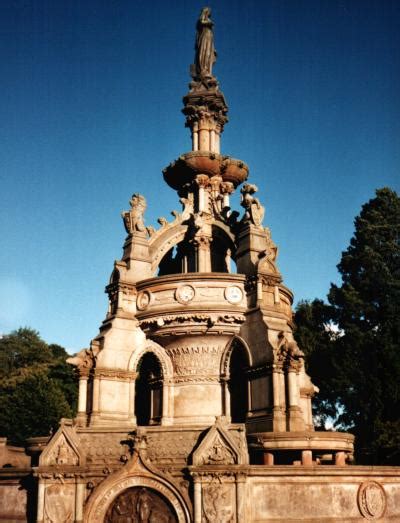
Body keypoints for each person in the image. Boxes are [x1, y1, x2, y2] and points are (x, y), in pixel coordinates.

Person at [195, 7, 216, 77]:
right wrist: (209, 23)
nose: (210, 13)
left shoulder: (209, 21)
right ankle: (203, 70)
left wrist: (214, 48)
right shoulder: (202, 20)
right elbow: (201, 22)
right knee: (203, 52)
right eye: (209, 11)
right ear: (205, 12)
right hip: (204, 37)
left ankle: (207, 70)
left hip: (209, 38)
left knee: (209, 54)